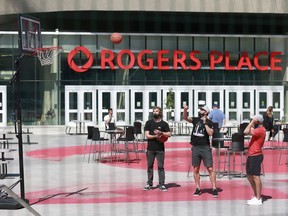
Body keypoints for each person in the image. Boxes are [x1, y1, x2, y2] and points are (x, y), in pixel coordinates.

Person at [183, 105, 218, 198]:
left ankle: (214, 188)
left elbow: (210, 133)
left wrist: (205, 123)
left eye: (202, 110)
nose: (200, 110)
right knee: (195, 169)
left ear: (206, 112)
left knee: (210, 168)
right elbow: (185, 118)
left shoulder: (210, 122)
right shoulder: (195, 119)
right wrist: (185, 109)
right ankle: (198, 188)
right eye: (200, 109)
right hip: (195, 147)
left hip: (205, 147)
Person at [143, 106, 171, 192]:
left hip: (160, 149)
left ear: (160, 112)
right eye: (153, 111)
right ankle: (149, 184)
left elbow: (169, 134)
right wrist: (156, 136)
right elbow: (147, 135)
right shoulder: (149, 123)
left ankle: (162, 184)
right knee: (150, 166)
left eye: (156, 111)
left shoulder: (164, 124)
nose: (155, 112)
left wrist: (161, 133)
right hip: (150, 148)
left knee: (160, 167)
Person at [243, 114, 266, 205]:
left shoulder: (261, 130)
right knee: (249, 175)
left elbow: (246, 131)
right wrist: (252, 122)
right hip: (251, 155)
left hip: (256, 155)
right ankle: (256, 195)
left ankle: (258, 198)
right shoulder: (258, 129)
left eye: (253, 121)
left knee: (256, 176)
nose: (251, 122)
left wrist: (252, 122)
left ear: (258, 122)